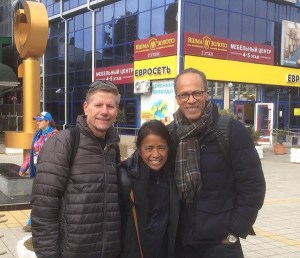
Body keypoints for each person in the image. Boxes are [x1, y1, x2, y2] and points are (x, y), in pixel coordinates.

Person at [167, 68, 266, 258]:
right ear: (177, 98)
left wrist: (234, 232)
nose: (191, 99)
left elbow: (253, 186)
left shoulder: (230, 130)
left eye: (197, 93)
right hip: (181, 244)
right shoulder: (170, 134)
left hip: (220, 245)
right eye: (184, 94)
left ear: (206, 94)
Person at [31, 80, 121, 258]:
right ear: (86, 107)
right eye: (98, 105)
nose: (104, 111)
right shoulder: (64, 142)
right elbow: (43, 210)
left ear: (116, 111)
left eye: (110, 106)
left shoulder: (113, 147)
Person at [119, 120, 179, 258]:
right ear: (140, 150)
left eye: (161, 148)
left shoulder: (172, 177)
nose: (156, 155)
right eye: (149, 148)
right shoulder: (125, 177)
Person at [19, 111, 58, 232]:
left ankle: (33, 222)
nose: (37, 122)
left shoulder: (55, 135)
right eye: (37, 120)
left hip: (50, 172)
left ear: (47, 121)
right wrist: (24, 167)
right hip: (38, 171)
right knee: (38, 197)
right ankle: (34, 222)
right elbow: (32, 153)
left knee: (44, 197)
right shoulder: (38, 134)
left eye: (40, 120)